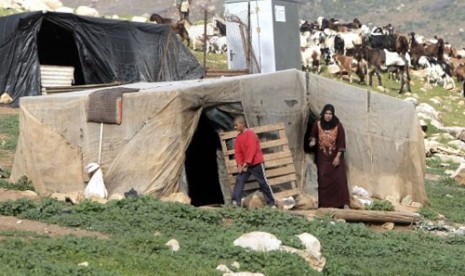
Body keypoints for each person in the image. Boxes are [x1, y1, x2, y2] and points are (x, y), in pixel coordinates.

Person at [309, 104, 350, 209]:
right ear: (323, 113)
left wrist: (338, 157)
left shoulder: (338, 125)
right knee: (323, 179)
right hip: (322, 156)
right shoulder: (318, 123)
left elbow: (341, 142)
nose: (328, 116)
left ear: (333, 114)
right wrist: (313, 141)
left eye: (330, 113)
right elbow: (313, 135)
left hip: (335, 157)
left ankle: (344, 203)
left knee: (340, 179)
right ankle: (324, 204)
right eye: (326, 113)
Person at [231, 116, 276, 208]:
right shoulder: (238, 137)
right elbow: (237, 152)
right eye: (234, 126)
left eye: (236, 125)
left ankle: (271, 203)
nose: (235, 127)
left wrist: (246, 162)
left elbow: (252, 149)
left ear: (242, 124)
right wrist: (239, 164)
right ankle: (236, 202)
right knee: (239, 179)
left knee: (263, 182)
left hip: (256, 163)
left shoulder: (251, 134)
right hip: (245, 165)